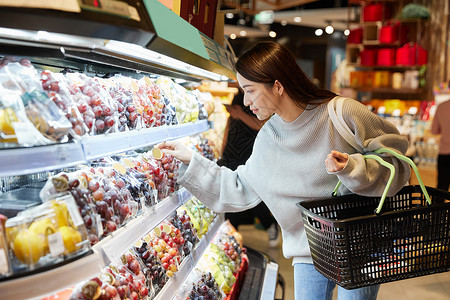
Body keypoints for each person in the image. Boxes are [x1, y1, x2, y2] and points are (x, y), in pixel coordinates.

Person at [158, 41, 410, 300]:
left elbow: (397, 163)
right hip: (308, 248)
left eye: (250, 91)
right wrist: (190, 160)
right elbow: (239, 187)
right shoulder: (270, 135)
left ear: (277, 86)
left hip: (360, 243)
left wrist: (351, 168)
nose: (246, 101)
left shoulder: (341, 113)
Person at [218, 89, 280, 247]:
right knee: (232, 192)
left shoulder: (261, 96)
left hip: (250, 154)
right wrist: (222, 148)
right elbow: (229, 124)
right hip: (231, 155)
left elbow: (262, 125)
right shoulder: (238, 95)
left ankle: (270, 224)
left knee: (253, 193)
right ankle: (231, 234)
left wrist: (240, 114)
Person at [431, 99, 450, 191]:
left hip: (444, 153)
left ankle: (438, 206)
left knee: (441, 189)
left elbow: (434, 130)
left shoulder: (442, 106)